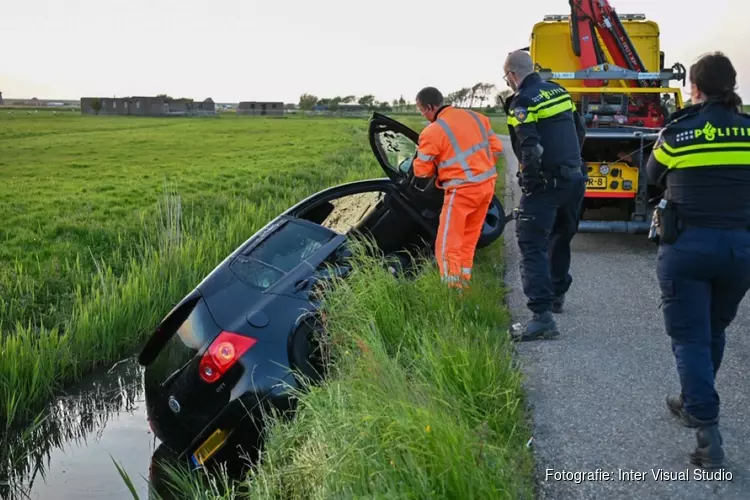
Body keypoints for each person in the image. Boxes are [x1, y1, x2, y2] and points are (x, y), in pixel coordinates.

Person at [646, 51, 750, 469]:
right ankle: (694, 398)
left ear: (695, 88)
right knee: (713, 329)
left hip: (687, 248)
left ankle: (706, 428)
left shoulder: (677, 133)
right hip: (740, 250)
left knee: (690, 338)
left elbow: (652, 176)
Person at [502, 50, 587, 341]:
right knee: (561, 235)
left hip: (546, 184)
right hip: (574, 179)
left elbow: (531, 148)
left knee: (531, 243)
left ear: (513, 76)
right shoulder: (558, 92)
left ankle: (541, 317)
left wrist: (529, 184)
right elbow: (580, 129)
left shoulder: (522, 101)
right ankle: (557, 294)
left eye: (507, 78)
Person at [412, 86, 504, 290]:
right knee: (468, 240)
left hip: (461, 192)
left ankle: (453, 291)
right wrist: (480, 168)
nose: (423, 114)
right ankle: (464, 285)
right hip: (486, 188)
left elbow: (421, 172)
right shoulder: (477, 117)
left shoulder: (433, 131)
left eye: (421, 110)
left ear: (430, 107)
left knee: (447, 244)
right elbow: (497, 149)